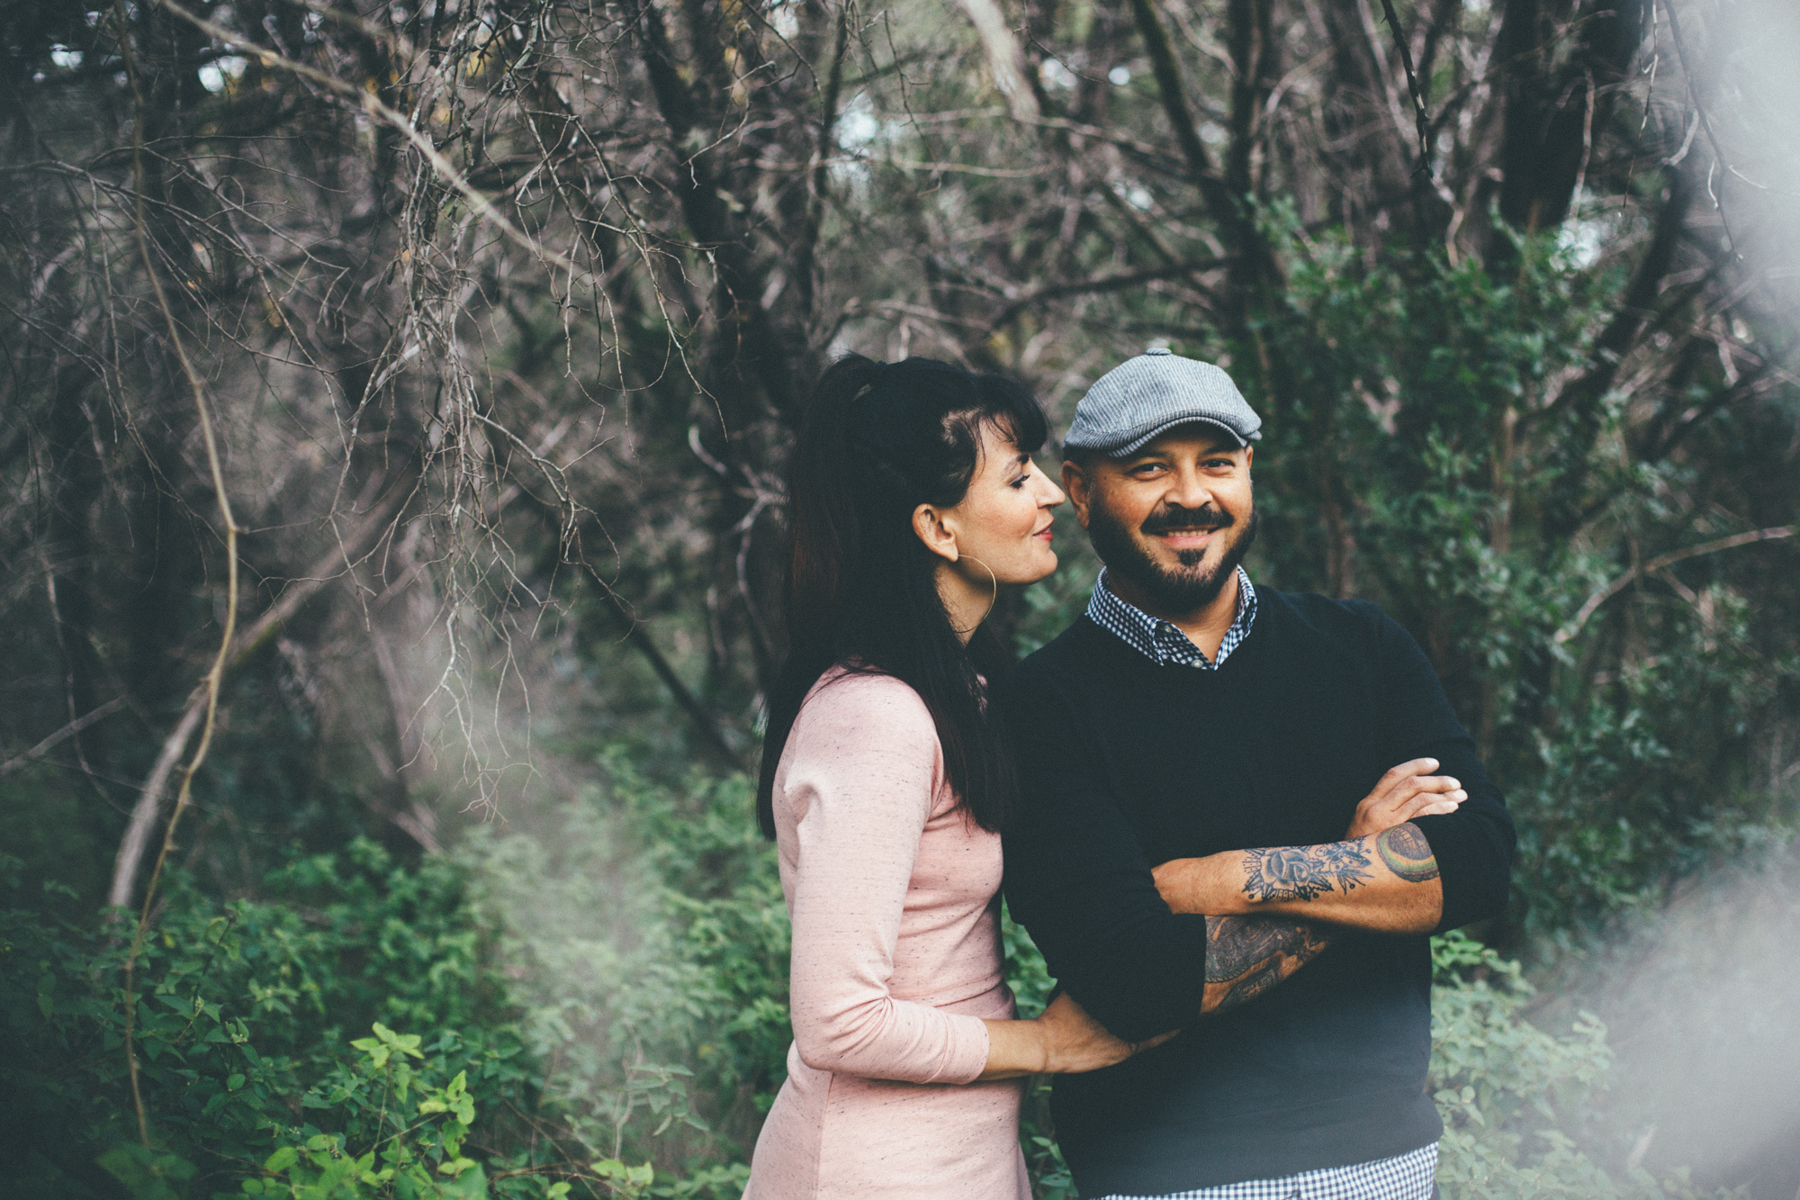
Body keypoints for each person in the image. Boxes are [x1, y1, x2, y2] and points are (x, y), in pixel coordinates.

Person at [998, 349, 1516, 1200]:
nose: (1192, 496)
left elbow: (1479, 864)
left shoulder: (1362, 648)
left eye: (1218, 463)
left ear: (1250, 474)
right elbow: (1133, 980)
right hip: (1160, 1177)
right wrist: (1359, 860)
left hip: (1385, 1161)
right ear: (1081, 488)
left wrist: (1223, 879)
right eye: (1149, 468)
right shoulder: (1041, 705)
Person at [741, 354, 1161, 1200]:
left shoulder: (956, 692)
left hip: (954, 1154)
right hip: (873, 1168)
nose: (1048, 494)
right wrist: (1043, 1044)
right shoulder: (879, 716)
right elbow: (838, 1022)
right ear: (937, 527)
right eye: (1017, 478)